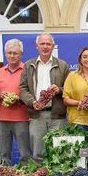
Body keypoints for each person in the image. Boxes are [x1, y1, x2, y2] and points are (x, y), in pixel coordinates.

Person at [19, 32, 69, 162]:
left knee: (58, 152)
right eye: (42, 44)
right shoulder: (28, 65)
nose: (45, 46)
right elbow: (22, 89)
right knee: (37, 153)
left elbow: (70, 90)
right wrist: (32, 102)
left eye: (48, 44)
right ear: (37, 46)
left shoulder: (63, 65)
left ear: (53, 46)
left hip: (57, 116)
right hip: (37, 115)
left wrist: (59, 90)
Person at [0, 39, 31, 165]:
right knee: (4, 155)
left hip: (22, 118)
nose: (12, 56)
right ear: (5, 54)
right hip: (2, 119)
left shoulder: (28, 70)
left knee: (25, 153)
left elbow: (33, 93)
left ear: (21, 54)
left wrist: (19, 99)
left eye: (15, 53)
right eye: (9, 53)